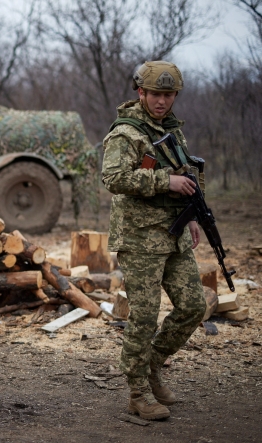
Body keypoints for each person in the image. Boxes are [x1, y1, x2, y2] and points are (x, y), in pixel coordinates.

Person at [102, 60, 206, 420]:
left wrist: (193, 215)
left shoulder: (172, 129)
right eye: (155, 94)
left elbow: (186, 174)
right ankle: (138, 392)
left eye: (169, 95)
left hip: (174, 233)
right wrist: (165, 181)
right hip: (140, 238)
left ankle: (152, 366)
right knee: (144, 318)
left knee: (193, 307)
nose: (162, 101)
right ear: (140, 92)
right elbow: (113, 178)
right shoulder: (126, 133)